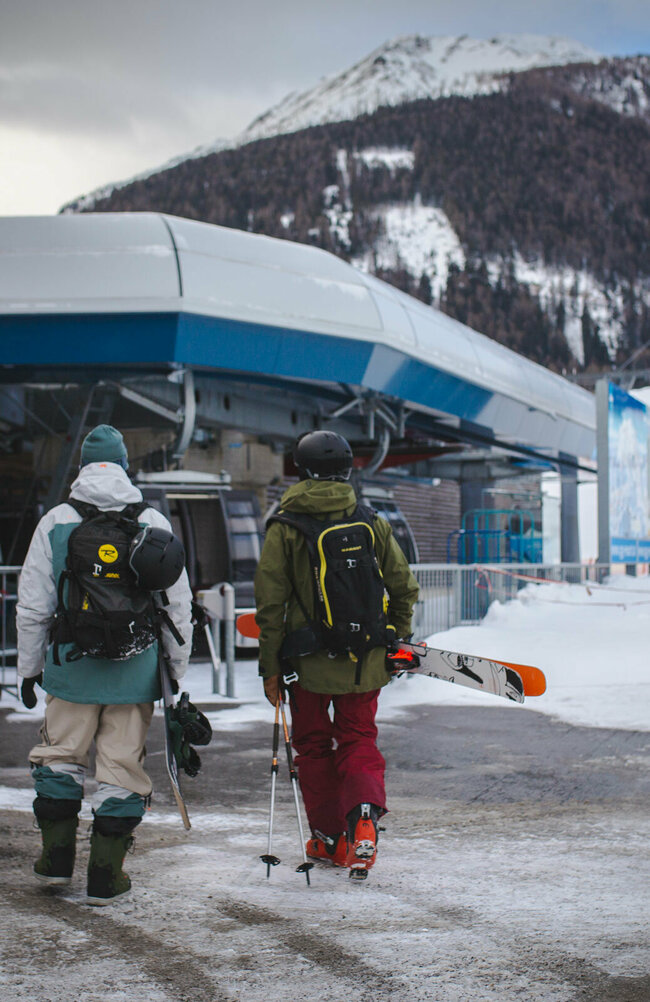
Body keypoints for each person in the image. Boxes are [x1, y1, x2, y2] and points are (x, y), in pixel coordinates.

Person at [16, 424, 193, 904]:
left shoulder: (56, 521)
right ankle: (105, 876)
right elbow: (177, 605)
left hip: (70, 665)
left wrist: (29, 669)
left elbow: (33, 605)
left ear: (81, 468)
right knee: (121, 768)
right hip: (135, 668)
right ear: (124, 466)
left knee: (60, 757)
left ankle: (55, 863)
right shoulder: (151, 520)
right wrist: (175, 669)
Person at [254, 430, 419, 878]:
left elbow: (270, 604)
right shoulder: (370, 520)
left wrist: (270, 668)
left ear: (301, 470)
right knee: (358, 738)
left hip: (307, 664)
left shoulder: (285, 526)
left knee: (312, 746)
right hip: (365, 661)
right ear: (347, 470)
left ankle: (330, 840)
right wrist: (395, 638)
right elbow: (404, 587)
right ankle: (363, 817)